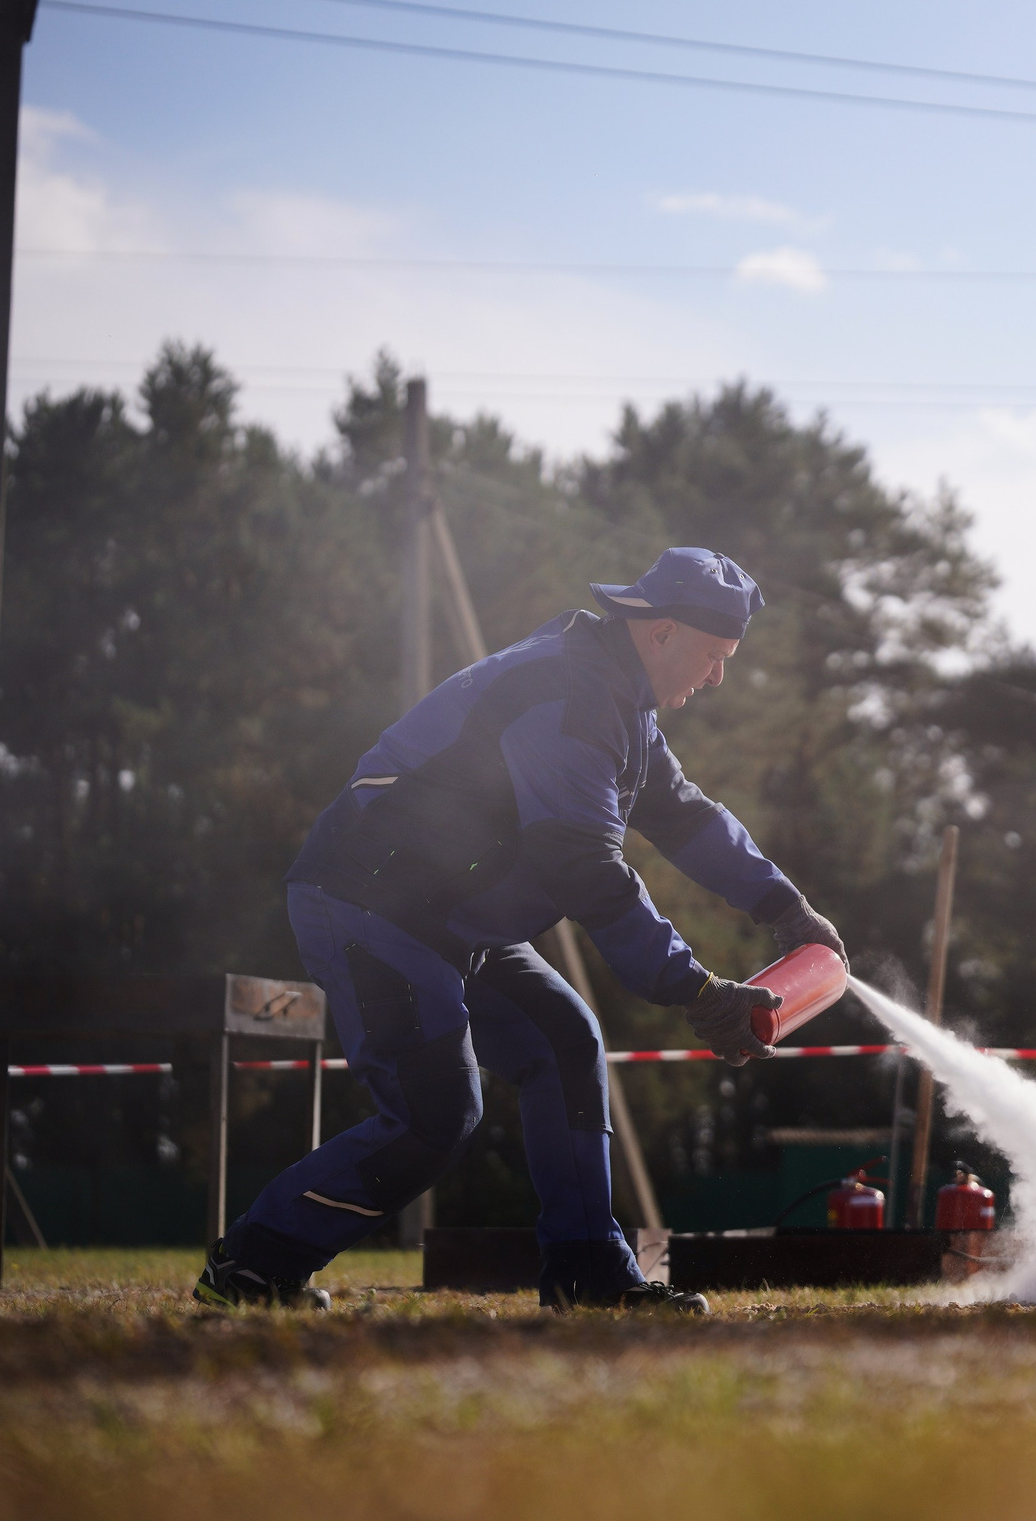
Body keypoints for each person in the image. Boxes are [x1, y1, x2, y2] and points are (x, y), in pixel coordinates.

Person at [194, 548, 843, 1312]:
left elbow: (685, 817)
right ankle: (252, 1267)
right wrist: (697, 989)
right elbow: (586, 871)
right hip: (369, 902)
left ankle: (588, 1279)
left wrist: (786, 907)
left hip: (448, 917)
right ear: (662, 632)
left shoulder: (619, 700)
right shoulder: (569, 697)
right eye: (713, 655)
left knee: (565, 1042)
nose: (717, 677)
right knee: (435, 1116)